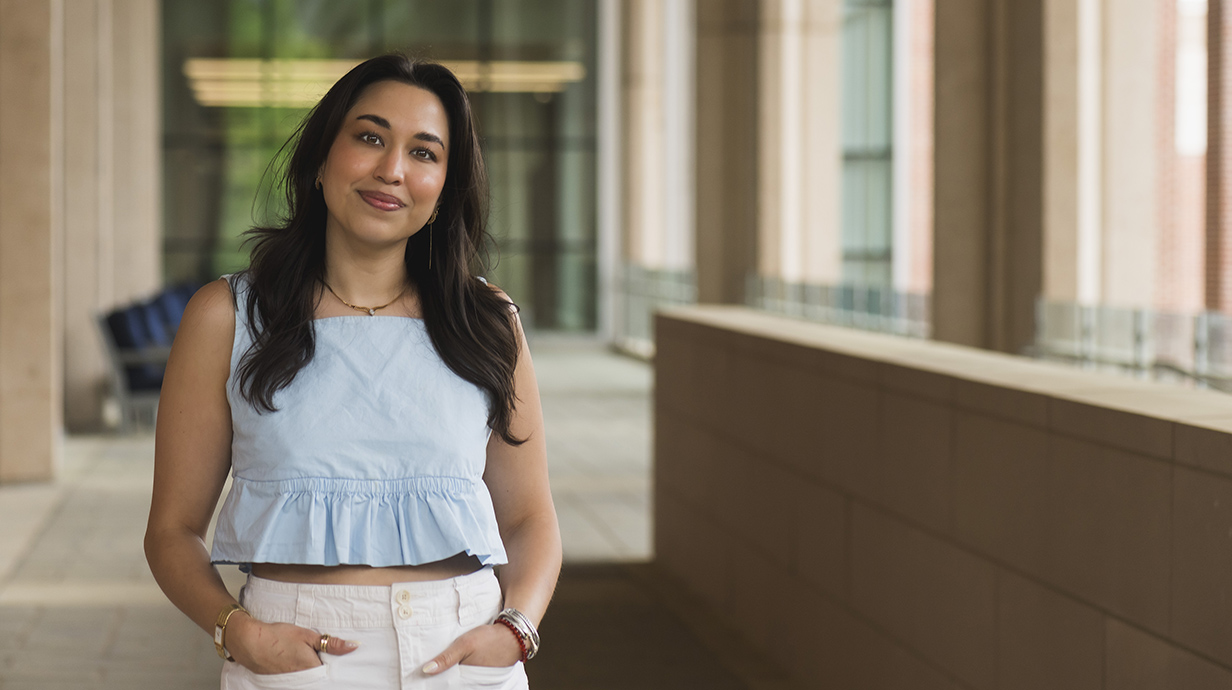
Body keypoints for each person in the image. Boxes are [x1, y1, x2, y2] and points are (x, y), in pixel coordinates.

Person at [144, 54, 562, 689]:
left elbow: (531, 518)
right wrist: (238, 630)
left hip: (460, 654)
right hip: (295, 657)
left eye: (424, 153)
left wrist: (515, 631)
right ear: (320, 159)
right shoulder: (226, 316)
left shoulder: (487, 319)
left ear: (446, 185)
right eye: (369, 138)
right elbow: (172, 532)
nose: (391, 170)